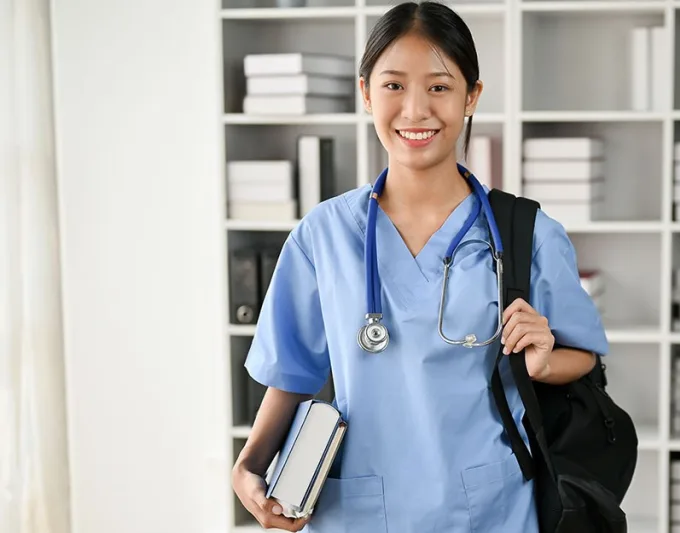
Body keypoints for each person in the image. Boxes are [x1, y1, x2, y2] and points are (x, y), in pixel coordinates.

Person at [229, 1, 609, 531]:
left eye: (438, 86)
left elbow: (585, 354)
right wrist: (247, 468)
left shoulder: (527, 233)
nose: (414, 111)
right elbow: (291, 374)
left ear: (471, 96)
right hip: (358, 510)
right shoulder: (323, 235)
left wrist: (542, 362)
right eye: (392, 86)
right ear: (365, 93)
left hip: (489, 508)